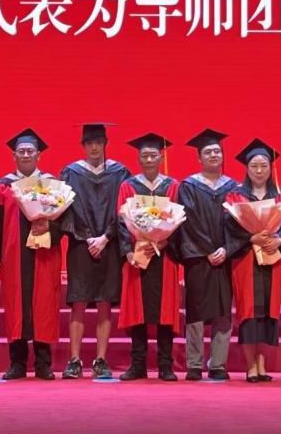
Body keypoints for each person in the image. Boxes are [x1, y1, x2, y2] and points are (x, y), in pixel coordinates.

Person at [59, 123, 131, 379]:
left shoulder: (120, 173)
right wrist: (88, 237)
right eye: (89, 143)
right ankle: (74, 360)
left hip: (109, 245)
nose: (94, 147)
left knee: (104, 303)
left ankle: (101, 360)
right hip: (81, 246)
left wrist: (106, 237)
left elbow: (125, 209)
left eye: (98, 142)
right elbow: (65, 210)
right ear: (83, 145)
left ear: (105, 144)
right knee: (78, 301)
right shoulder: (70, 173)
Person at [0, 128, 61, 380]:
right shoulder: (3, 185)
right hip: (13, 255)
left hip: (44, 254)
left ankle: (43, 363)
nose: (26, 155)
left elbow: (64, 219)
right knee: (15, 304)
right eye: (21, 151)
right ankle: (17, 363)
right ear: (14, 155)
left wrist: (49, 226)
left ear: (39, 154)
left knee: (44, 304)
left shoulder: (51, 184)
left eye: (31, 151)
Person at [226, 138, 281, 383]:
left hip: (271, 259)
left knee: (267, 311)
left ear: (270, 168)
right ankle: (250, 366)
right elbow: (229, 227)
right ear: (247, 168)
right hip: (246, 259)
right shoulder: (236, 196)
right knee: (249, 311)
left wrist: (280, 239)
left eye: (264, 166)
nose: (259, 170)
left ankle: (262, 365)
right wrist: (250, 237)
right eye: (254, 166)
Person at [115, 133, 182, 381]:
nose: (149, 159)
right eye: (145, 155)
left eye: (154, 155)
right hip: (138, 255)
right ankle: (138, 364)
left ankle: (165, 365)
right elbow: (121, 222)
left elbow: (180, 221)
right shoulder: (128, 186)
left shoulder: (173, 186)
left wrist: (164, 241)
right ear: (139, 159)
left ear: (161, 157)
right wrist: (128, 251)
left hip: (165, 256)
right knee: (137, 310)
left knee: (165, 311)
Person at [175, 127, 237, 381]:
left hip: (225, 256)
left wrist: (227, 248)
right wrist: (208, 249)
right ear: (198, 157)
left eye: (217, 151)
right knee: (196, 309)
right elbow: (188, 221)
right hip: (198, 257)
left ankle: (218, 364)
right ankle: (194, 363)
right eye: (208, 152)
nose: (213, 155)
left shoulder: (233, 187)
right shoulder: (188, 186)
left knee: (223, 310)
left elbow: (239, 223)